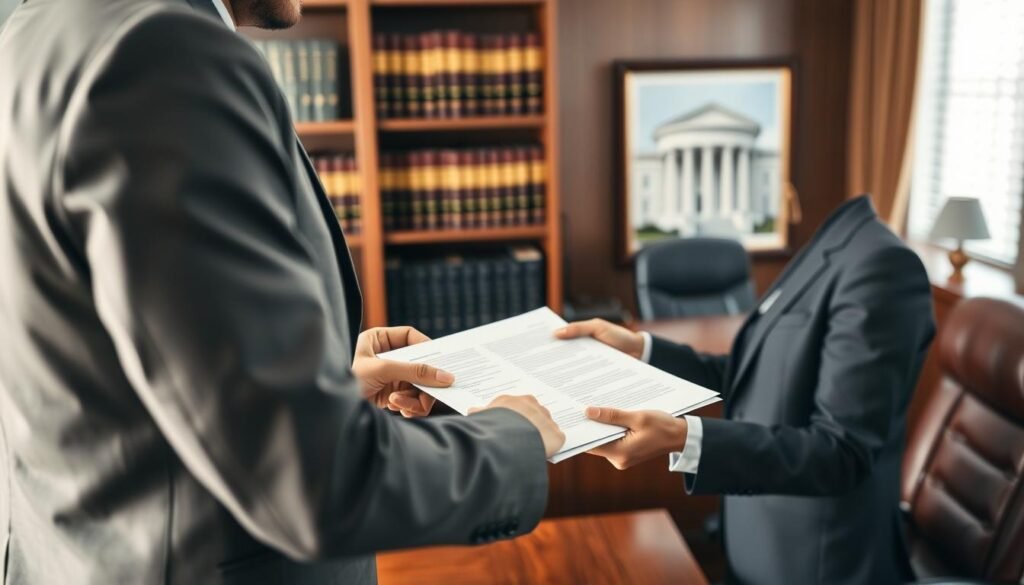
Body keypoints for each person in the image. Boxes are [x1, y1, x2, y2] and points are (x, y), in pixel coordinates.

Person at [0, 0, 564, 582]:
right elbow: (309, 479)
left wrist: (318, 386)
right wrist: (513, 439)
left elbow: (108, 378)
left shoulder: (39, 29)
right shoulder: (163, 52)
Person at [558, 196, 935, 585]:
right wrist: (641, 350)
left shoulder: (883, 267)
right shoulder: (832, 241)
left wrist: (684, 438)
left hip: (814, 566)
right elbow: (750, 374)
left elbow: (841, 452)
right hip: (759, 544)